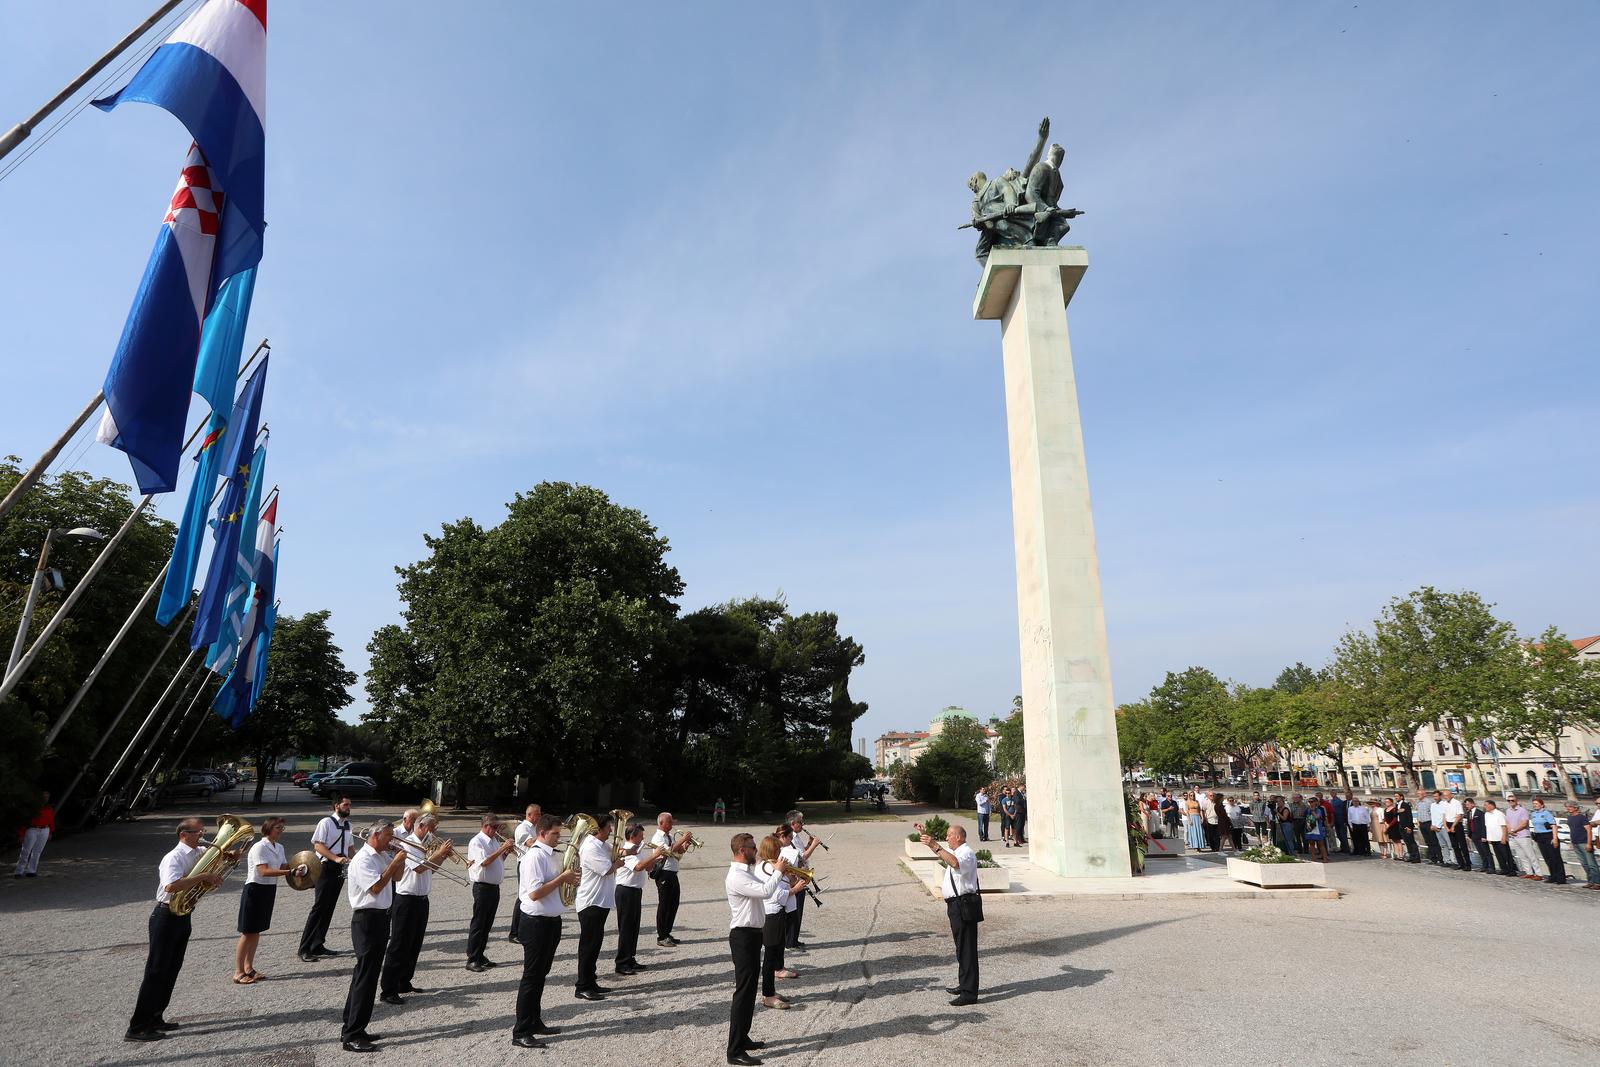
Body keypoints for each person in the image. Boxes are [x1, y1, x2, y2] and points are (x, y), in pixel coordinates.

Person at [124, 817, 223, 1042]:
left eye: (202, 831)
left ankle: (156, 1016)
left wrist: (229, 860)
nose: (202, 835)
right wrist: (204, 876)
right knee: (156, 971)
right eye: (198, 832)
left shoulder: (197, 852)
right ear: (183, 835)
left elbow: (216, 862)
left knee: (172, 969)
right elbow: (171, 885)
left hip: (183, 915)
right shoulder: (174, 857)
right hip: (165, 915)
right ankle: (137, 1027)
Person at [339, 819, 408, 1053]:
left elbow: (396, 878)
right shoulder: (363, 859)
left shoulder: (380, 855)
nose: (392, 840)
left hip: (380, 917)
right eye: (389, 836)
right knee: (365, 977)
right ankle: (352, 1034)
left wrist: (401, 860)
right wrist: (395, 862)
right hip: (367, 919)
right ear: (376, 835)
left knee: (366, 975)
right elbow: (376, 888)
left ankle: (353, 1026)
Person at [511, 814, 578, 1049]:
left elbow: (555, 885)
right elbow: (534, 893)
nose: (559, 838)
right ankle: (520, 1031)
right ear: (541, 834)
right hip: (535, 922)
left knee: (541, 974)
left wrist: (570, 880)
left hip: (551, 921)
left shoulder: (551, 855)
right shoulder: (534, 857)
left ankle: (535, 1021)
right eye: (555, 834)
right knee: (531, 976)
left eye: (559, 834)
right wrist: (563, 879)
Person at [725, 832, 786, 1066]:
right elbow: (765, 892)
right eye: (752, 847)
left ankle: (743, 1037)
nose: (756, 851)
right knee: (743, 993)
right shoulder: (737, 876)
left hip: (752, 935)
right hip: (743, 937)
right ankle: (734, 1051)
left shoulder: (747, 872)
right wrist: (779, 869)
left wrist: (779, 874)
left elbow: (765, 888)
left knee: (750, 991)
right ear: (742, 851)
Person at [380, 812, 452, 1004]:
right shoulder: (406, 844)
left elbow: (432, 868)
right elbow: (418, 868)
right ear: (421, 826)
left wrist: (443, 856)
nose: (435, 831)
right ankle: (388, 988)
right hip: (406, 899)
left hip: (421, 899)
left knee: (414, 943)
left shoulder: (424, 844)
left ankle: (404, 981)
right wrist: (438, 853)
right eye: (433, 827)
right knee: (399, 944)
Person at [235, 816, 305, 984]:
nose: (281, 831)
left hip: (268, 890)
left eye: (282, 828)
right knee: (247, 932)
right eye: (278, 828)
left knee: (256, 931)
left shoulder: (279, 847)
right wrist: (289, 872)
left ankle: (249, 968)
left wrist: (302, 867)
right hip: (254, 889)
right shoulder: (259, 847)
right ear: (268, 829)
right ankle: (238, 972)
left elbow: (283, 867)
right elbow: (264, 871)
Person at [919, 820, 980, 1006]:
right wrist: (928, 839)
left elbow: (954, 863)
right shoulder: (957, 851)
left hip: (964, 905)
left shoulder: (966, 853)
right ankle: (964, 984)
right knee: (961, 947)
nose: (946, 838)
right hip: (955, 905)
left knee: (967, 948)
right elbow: (947, 856)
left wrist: (935, 845)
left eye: (949, 835)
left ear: (959, 837)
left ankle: (969, 993)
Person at [299, 793, 354, 962]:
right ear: (336, 806)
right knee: (319, 907)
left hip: (340, 867)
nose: (348, 808)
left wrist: (355, 861)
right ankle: (304, 948)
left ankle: (318, 944)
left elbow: (350, 847)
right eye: (345, 805)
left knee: (329, 907)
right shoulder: (326, 822)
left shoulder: (348, 825)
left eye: (349, 805)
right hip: (326, 866)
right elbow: (318, 845)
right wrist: (336, 858)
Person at [574, 813, 624, 1000]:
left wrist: (629, 851)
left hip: (600, 901)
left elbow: (618, 852)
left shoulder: (601, 845)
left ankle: (591, 981)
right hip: (591, 902)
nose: (611, 830)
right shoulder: (590, 847)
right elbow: (606, 869)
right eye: (609, 827)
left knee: (595, 944)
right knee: (588, 945)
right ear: (599, 828)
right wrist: (617, 863)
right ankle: (582, 986)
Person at [614, 823, 667, 975]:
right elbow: (637, 867)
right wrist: (654, 855)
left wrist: (658, 860)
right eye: (641, 836)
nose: (643, 838)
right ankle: (622, 963)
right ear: (633, 836)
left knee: (634, 927)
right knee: (626, 927)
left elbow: (646, 866)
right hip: (625, 891)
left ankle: (630, 958)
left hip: (635, 891)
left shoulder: (638, 850)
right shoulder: (626, 850)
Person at [467, 813, 517, 971]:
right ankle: (472, 958)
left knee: (487, 924)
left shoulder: (493, 840)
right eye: (494, 827)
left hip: (493, 887)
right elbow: (485, 862)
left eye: (498, 827)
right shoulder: (477, 841)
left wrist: (506, 852)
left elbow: (497, 860)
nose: (497, 831)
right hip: (482, 887)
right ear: (485, 826)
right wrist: (502, 847)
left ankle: (480, 955)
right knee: (479, 923)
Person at [756, 833, 800, 1010]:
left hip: (777, 913)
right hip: (771, 914)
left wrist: (790, 878)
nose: (780, 853)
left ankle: (771, 991)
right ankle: (767, 995)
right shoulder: (766, 867)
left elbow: (781, 886)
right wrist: (795, 889)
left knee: (774, 953)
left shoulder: (770, 866)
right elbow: (776, 894)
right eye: (777, 849)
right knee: (770, 957)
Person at [650, 812, 692, 946]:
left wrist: (686, 845)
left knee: (674, 903)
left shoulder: (669, 836)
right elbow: (668, 851)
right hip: (663, 872)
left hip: (672, 872)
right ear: (661, 823)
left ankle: (667, 933)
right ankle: (661, 936)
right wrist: (682, 839)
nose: (672, 824)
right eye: (669, 822)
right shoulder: (657, 837)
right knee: (664, 904)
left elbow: (678, 852)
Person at [783, 810, 821, 951]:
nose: (803, 824)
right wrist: (814, 845)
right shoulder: (790, 837)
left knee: (798, 908)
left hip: (800, 874)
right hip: (795, 877)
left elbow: (801, 852)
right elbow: (802, 857)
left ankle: (794, 939)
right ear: (792, 824)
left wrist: (808, 844)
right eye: (800, 822)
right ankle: (790, 941)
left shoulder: (796, 836)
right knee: (795, 908)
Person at [508, 803, 541, 945]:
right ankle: (514, 932)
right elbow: (530, 842)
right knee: (522, 897)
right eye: (537, 814)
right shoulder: (523, 827)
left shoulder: (534, 827)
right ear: (529, 815)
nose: (540, 816)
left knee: (531, 896)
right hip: (524, 864)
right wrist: (546, 835)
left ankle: (525, 928)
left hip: (533, 864)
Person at [13, 790, 55, 878]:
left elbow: (51, 821)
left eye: (47, 797)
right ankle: (19, 871)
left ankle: (31, 871)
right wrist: (21, 834)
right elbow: (25, 821)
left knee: (37, 851)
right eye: (44, 796)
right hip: (32, 829)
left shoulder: (49, 808)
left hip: (45, 830)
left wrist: (50, 831)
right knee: (26, 850)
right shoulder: (33, 808)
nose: (45, 798)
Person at [1528, 798, 1567, 884]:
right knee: (1547, 858)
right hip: (1539, 836)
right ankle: (1553, 876)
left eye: (1537, 804)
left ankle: (1561, 878)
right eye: (1534, 804)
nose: (1535, 805)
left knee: (1555, 857)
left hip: (1548, 836)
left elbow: (1553, 826)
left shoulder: (1547, 814)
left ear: (1542, 805)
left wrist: (1555, 838)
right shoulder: (1533, 814)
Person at [1563, 802, 1600, 889]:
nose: (1568, 808)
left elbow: (1589, 831)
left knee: (1592, 864)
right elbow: (1572, 831)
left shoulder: (1582, 818)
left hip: (1584, 843)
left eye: (1570, 806)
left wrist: (1589, 843)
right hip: (1575, 843)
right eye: (1567, 807)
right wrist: (1571, 842)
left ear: (1576, 808)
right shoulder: (1569, 818)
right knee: (1584, 864)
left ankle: (1598, 882)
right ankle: (1590, 881)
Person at [1504, 794, 1541, 879]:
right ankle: (1529, 872)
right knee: (1521, 856)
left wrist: (1515, 830)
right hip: (1514, 837)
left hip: (1523, 835)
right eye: (1509, 800)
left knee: (1531, 855)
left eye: (1512, 800)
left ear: (1516, 801)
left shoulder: (1522, 810)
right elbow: (1507, 822)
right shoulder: (1508, 811)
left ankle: (1539, 874)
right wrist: (1510, 831)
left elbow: (1524, 823)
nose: (1510, 802)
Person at [1484, 800, 1513, 876]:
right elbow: (1488, 826)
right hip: (1493, 838)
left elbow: (1503, 826)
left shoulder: (1499, 814)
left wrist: (1504, 837)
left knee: (1506, 855)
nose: (1485, 807)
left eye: (1486, 805)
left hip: (1500, 837)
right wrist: (1489, 837)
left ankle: (1512, 870)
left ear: (1491, 805)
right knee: (1498, 855)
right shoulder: (1486, 814)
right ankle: (1504, 869)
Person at [1443, 792, 1470, 871]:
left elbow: (1459, 815)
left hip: (1457, 824)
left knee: (1462, 845)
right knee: (1454, 846)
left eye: (1447, 795)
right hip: (1448, 823)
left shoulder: (1456, 803)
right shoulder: (1444, 804)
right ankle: (1460, 863)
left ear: (1451, 795)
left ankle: (1467, 864)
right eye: (1444, 796)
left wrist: (1453, 826)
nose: (1445, 797)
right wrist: (1446, 827)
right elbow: (1444, 816)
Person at [1462, 797, 1488, 872]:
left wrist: (1484, 836)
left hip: (1480, 835)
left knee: (1485, 851)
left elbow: (1483, 825)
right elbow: (1469, 825)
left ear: (1473, 804)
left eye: (1468, 804)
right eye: (1466, 805)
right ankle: (1484, 866)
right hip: (1473, 835)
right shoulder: (1468, 813)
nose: (1467, 806)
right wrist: (1469, 835)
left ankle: (1489, 866)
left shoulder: (1479, 813)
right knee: (1480, 851)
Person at [1417, 790, 1442, 865]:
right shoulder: (1418, 802)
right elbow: (1419, 812)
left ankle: (1440, 858)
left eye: (1419, 794)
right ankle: (1432, 858)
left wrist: (1433, 824)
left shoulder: (1428, 802)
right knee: (1428, 841)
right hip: (1422, 823)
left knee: (1434, 841)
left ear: (1424, 794)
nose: (1418, 795)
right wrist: (1418, 822)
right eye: (1417, 794)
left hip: (1429, 822)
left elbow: (1432, 813)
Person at [1393, 793, 1419, 863]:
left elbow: (1409, 816)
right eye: (1395, 796)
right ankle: (1410, 856)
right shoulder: (1397, 805)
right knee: (1407, 842)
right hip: (1400, 825)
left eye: (1397, 796)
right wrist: (1398, 811)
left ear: (1401, 797)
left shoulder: (1405, 805)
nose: (1396, 798)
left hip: (1406, 826)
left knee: (1411, 842)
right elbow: (1394, 814)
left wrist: (1409, 826)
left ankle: (1416, 857)